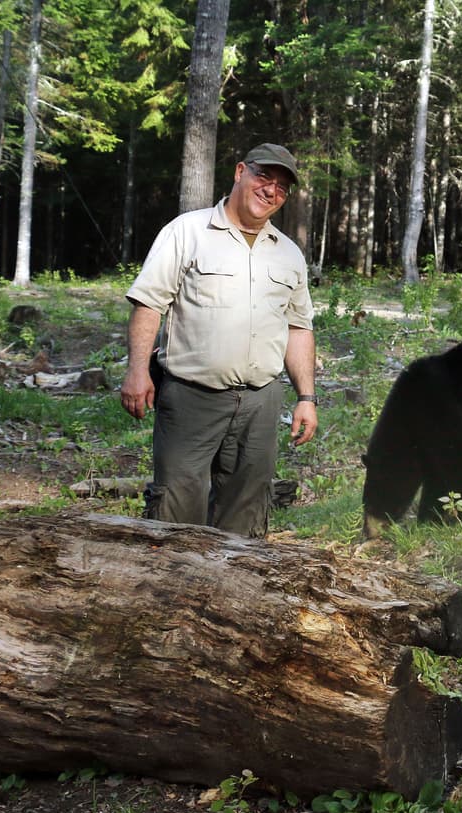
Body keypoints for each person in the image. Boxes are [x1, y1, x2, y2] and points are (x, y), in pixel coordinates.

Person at [120, 143, 317, 538]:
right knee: (176, 514)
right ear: (240, 172)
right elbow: (149, 302)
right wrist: (137, 371)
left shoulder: (288, 254)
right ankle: (171, 578)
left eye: (282, 187)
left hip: (260, 403)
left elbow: (299, 327)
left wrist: (306, 398)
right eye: (264, 176)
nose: (271, 190)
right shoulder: (187, 232)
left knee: (245, 516)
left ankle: (235, 578)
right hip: (191, 398)